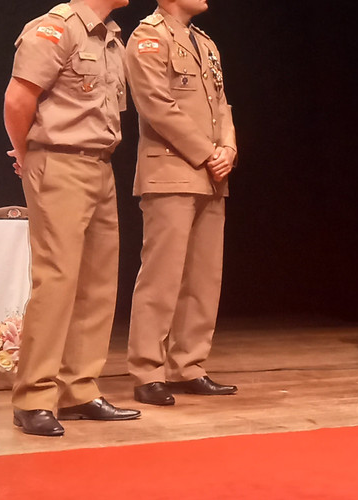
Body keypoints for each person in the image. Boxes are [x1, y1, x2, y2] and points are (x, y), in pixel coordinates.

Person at [3, 0, 140, 437]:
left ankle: (79, 388)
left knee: (97, 282)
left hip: (100, 164)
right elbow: (18, 98)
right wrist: (27, 153)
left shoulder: (111, 37)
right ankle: (34, 396)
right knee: (58, 279)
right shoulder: (55, 28)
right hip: (59, 161)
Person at [125, 0, 238, 406]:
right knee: (162, 277)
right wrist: (207, 152)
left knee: (203, 277)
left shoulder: (205, 43)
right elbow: (156, 105)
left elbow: (221, 104)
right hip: (171, 169)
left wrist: (228, 149)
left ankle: (188, 365)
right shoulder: (148, 37)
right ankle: (147, 371)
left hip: (211, 174)